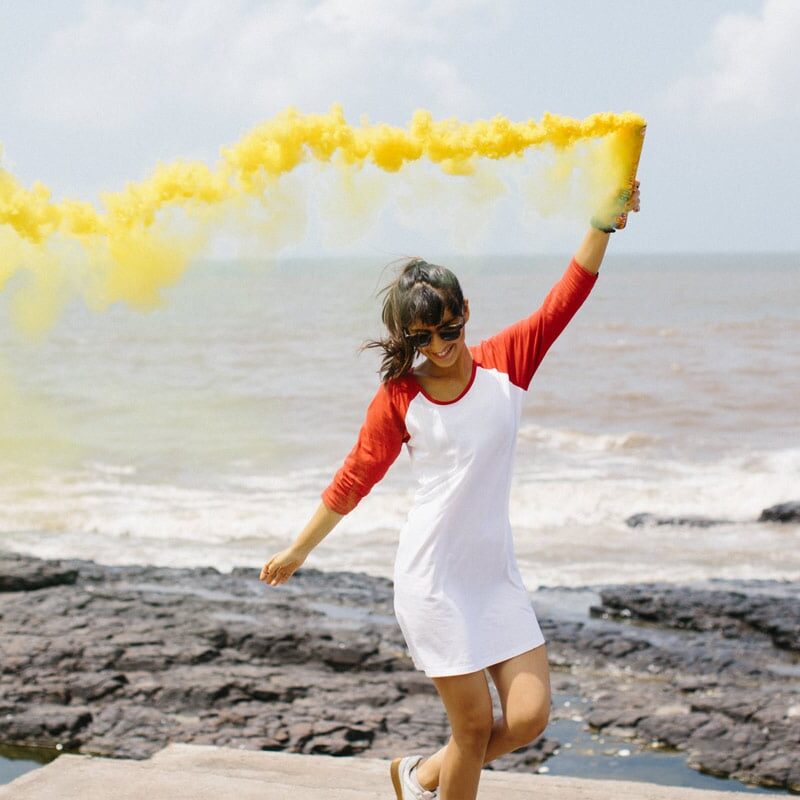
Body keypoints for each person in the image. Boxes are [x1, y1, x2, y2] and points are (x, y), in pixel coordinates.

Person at [260, 182, 641, 800]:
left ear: (465, 311)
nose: (438, 347)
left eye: (448, 329)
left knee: (528, 718)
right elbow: (354, 478)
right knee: (472, 728)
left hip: (494, 577)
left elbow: (566, 297)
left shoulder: (506, 363)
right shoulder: (399, 398)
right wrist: (298, 550)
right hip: (433, 580)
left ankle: (417, 777)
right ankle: (427, 783)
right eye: (422, 339)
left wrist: (601, 223)